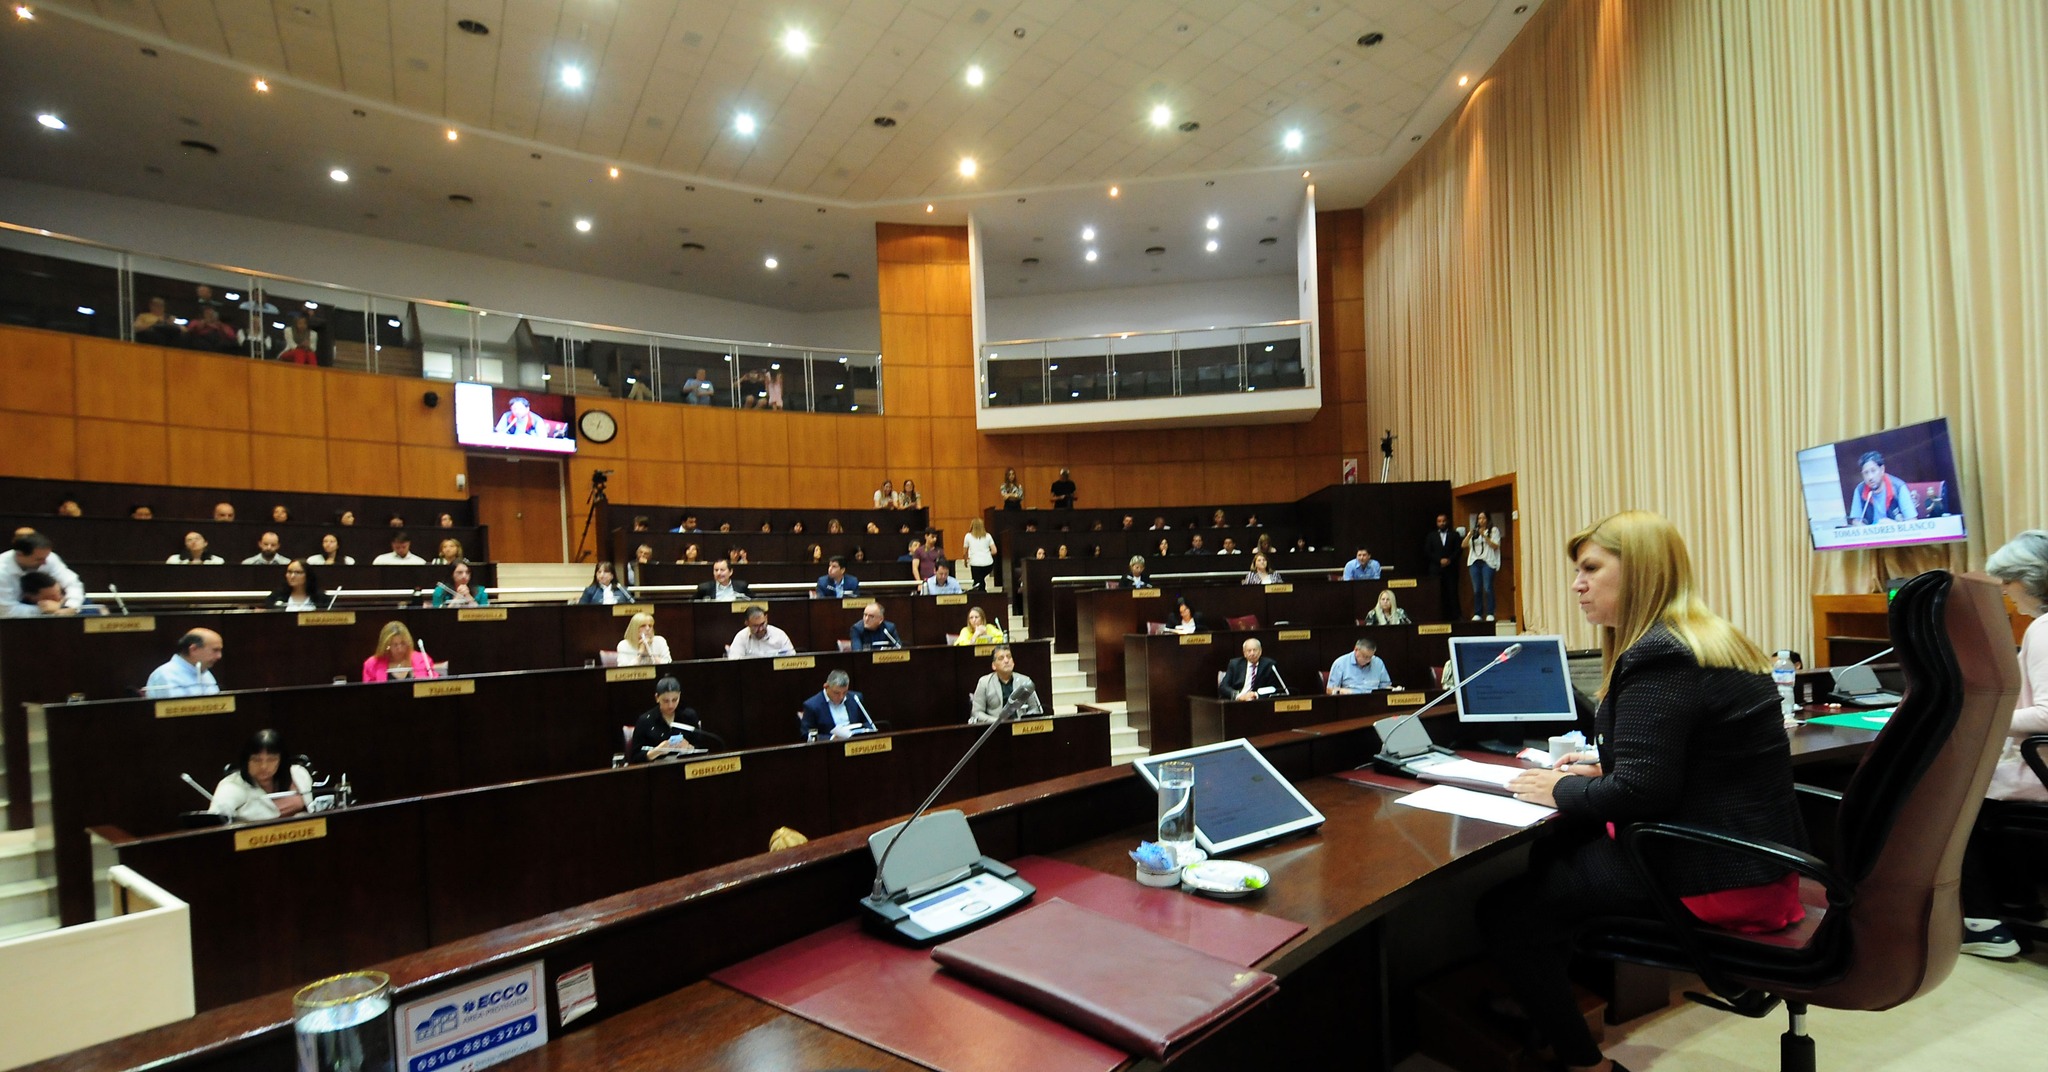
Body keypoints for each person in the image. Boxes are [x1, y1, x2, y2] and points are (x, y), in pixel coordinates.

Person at [1480, 510, 1804, 1072]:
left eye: (1590, 569)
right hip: (1757, 863)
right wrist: (1598, 774)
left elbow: (1640, 794)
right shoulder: (1706, 639)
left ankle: (1585, 1062)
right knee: (1554, 856)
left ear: (1641, 573)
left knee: (1506, 912)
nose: (1576, 584)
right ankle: (1543, 996)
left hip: (1715, 877)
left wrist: (1556, 790)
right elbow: (1682, 762)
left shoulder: (1662, 656)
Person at [1962, 530, 2048, 957]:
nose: (2008, 596)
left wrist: (1982, 720)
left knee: (1951, 803)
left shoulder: (2045, 628)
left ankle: (1983, 923)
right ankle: (2019, 900)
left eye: (2010, 584)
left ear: (2029, 579)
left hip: (2039, 773)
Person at [207, 729, 310, 821]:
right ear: (246, 760)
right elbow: (215, 823)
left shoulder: (299, 774)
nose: (263, 766)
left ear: (281, 760)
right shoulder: (231, 786)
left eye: (271, 759)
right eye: (256, 760)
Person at [625, 677, 718, 762]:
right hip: (655, 771)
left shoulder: (689, 716)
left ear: (680, 696)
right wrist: (657, 751)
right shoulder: (645, 720)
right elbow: (634, 758)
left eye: (675, 700)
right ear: (657, 698)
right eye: (666, 701)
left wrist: (690, 748)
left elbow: (702, 748)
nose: (671, 705)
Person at [2, 532, 83, 614]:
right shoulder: (2, 571)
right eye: (39, 559)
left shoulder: (48, 558)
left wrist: (71, 607)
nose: (45, 562)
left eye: (45, 557)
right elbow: (6, 611)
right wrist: (46, 609)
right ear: (20, 554)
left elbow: (72, 583)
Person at [969, 645, 1043, 725]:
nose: (1006, 660)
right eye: (1001, 658)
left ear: (1013, 662)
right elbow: (977, 713)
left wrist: (1023, 721)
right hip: (995, 729)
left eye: (1009, 657)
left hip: (1020, 728)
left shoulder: (1025, 681)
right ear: (994, 665)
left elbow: (1035, 709)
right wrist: (997, 722)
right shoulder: (984, 683)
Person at [799, 670, 877, 741]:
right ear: (826, 686)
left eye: (845, 692)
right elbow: (806, 735)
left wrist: (866, 732)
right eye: (836, 693)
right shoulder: (812, 705)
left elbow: (868, 722)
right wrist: (831, 738)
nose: (841, 697)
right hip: (830, 749)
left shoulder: (856, 698)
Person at [144, 629, 223, 696]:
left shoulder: (205, 673)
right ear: (194, 649)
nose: (219, 656)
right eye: (215, 650)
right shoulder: (165, 674)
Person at [1846, 450, 1916, 525]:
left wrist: (1894, 525)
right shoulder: (1860, 490)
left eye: (1873, 471)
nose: (1870, 477)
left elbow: (1913, 521)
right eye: (1866, 473)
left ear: (1882, 470)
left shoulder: (1899, 487)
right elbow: (1856, 521)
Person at [362, 621, 439, 681]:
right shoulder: (372, 665)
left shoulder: (422, 660)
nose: (400, 649)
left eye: (403, 643)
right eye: (395, 645)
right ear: (386, 646)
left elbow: (433, 686)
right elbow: (368, 694)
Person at [1463, 513, 1502, 620]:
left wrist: (1484, 535)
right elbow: (1463, 545)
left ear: (1488, 519)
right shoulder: (1474, 531)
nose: (1481, 520)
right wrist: (1470, 535)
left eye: (1484, 518)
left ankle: (1490, 613)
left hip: (1488, 562)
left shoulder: (1493, 530)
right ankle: (1478, 613)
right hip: (1474, 562)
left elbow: (1495, 546)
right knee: (1477, 589)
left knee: (1488, 587)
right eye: (1479, 518)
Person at [1422, 513, 1461, 621]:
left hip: (1451, 568)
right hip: (1435, 569)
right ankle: (1436, 616)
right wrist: (1439, 560)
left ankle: (1455, 616)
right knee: (1436, 593)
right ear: (1436, 523)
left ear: (1447, 521)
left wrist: (1449, 560)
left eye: (1443, 521)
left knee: (1452, 592)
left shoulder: (1454, 534)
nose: (1442, 523)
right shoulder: (1431, 536)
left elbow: (1458, 550)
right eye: (1439, 521)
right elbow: (1427, 551)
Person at [1219, 638, 1286, 700]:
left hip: (1259, 702)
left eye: (1255, 650)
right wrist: (1238, 696)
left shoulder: (1269, 665)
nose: (1252, 653)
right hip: (1238, 701)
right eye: (1249, 651)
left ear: (1260, 651)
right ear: (1244, 653)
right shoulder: (1235, 664)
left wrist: (1256, 695)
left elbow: (1273, 688)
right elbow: (1223, 686)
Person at [1326, 638, 1393, 694]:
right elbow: (1329, 690)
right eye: (1364, 656)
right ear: (1356, 650)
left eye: (1370, 657)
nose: (1368, 660)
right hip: (1350, 701)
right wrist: (1340, 691)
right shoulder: (1340, 663)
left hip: (1374, 701)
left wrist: (1394, 690)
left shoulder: (1378, 662)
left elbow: (1385, 686)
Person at [727, 606, 794, 659]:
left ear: (766, 618)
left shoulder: (779, 635)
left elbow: (792, 658)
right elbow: (734, 663)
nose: (761, 629)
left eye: (762, 624)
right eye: (755, 626)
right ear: (747, 623)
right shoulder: (741, 637)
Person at [963, 519, 998, 592]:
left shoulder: (968, 536)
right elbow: (994, 551)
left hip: (975, 564)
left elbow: (965, 552)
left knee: (978, 581)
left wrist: (965, 561)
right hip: (988, 564)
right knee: (981, 579)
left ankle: (980, 594)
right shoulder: (988, 536)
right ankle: (983, 591)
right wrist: (987, 553)